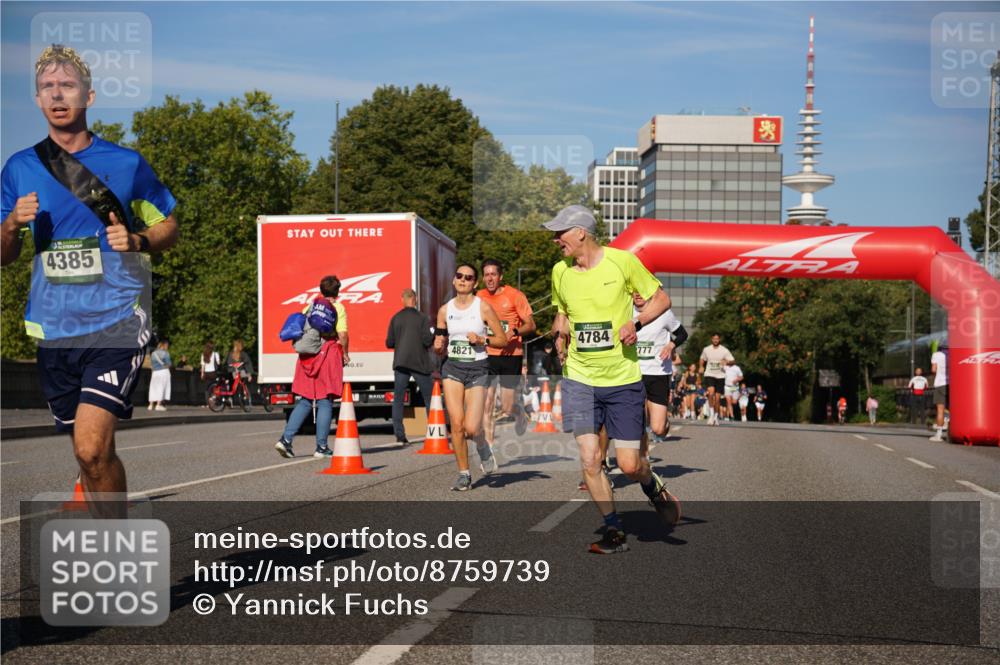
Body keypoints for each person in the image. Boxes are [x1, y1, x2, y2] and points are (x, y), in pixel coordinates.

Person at [1, 45, 178, 517]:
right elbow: (3, 256)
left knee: (91, 448)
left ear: (89, 96)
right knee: (90, 457)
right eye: (47, 87)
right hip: (55, 328)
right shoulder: (19, 168)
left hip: (117, 320)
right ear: (37, 99)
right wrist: (11, 224)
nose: (57, 95)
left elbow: (169, 225)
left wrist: (138, 240)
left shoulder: (126, 163)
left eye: (68, 86)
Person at [545, 204, 680, 555]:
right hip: (580, 378)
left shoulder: (623, 262)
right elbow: (562, 313)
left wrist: (635, 323)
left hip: (621, 379)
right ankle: (614, 530)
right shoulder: (560, 271)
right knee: (590, 460)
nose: (555, 239)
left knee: (629, 464)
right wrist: (560, 336)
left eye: (560, 233)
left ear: (581, 232)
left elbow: (662, 299)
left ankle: (651, 485)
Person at [433, 263, 508, 491]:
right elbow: (440, 343)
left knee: (472, 428)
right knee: (457, 425)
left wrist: (482, 340)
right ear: (454, 280)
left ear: (475, 283)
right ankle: (464, 474)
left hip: (478, 369)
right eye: (459, 276)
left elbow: (502, 340)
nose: (463, 280)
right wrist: (438, 346)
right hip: (452, 369)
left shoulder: (483, 307)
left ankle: (482, 445)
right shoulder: (444, 310)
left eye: (468, 277)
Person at [275, 276, 348, 458]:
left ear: (321, 290)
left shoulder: (310, 307)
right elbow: (342, 334)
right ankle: (321, 447)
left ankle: (286, 439)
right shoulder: (338, 308)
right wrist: (345, 353)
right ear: (337, 291)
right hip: (326, 356)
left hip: (307, 358)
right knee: (325, 401)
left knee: (306, 400)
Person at [477, 259, 535, 455]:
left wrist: (514, 332)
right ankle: (489, 451)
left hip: (511, 355)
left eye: (493, 274)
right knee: (487, 404)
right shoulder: (479, 297)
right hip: (487, 354)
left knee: (507, 407)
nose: (490, 278)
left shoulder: (514, 295)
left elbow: (531, 325)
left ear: (500, 276)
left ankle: (519, 413)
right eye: (486, 275)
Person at [633, 291, 688, 453]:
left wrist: (671, 345)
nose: (638, 294)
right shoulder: (625, 312)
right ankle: (643, 457)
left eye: (641, 291)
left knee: (658, 428)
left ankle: (664, 424)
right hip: (634, 372)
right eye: (634, 291)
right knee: (638, 419)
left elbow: (682, 334)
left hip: (658, 373)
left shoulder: (663, 313)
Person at [386, 288, 435, 445]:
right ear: (416, 299)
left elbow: (389, 342)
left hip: (401, 363)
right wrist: (433, 335)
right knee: (430, 398)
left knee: (398, 399)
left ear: (402, 299)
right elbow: (427, 341)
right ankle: (434, 432)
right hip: (419, 363)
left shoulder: (395, 318)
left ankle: (400, 435)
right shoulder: (422, 318)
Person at [699, 334, 734, 426]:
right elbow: (702, 358)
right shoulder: (706, 349)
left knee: (718, 398)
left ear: (719, 340)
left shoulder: (724, 350)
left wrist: (727, 362)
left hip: (720, 376)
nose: (715, 340)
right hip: (709, 374)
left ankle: (716, 417)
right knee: (711, 393)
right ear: (712, 339)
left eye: (717, 339)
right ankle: (711, 415)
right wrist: (701, 366)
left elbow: (733, 361)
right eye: (714, 339)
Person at [929, 342, 948, 442]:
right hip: (954, 385)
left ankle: (939, 435)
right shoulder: (955, 354)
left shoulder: (936, 354)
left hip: (940, 383)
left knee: (940, 410)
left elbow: (933, 369)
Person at [147, 340, 172, 411]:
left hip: (155, 372)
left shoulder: (153, 353)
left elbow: (151, 364)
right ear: (164, 345)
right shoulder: (166, 353)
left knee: (153, 388)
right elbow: (169, 364)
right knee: (161, 388)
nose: (167, 347)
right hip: (163, 371)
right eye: (167, 346)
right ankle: (158, 405)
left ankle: (150, 405)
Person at [200, 341, 221, 407]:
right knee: (214, 387)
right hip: (214, 373)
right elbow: (218, 363)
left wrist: (202, 374)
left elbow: (203, 366)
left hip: (206, 373)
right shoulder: (215, 354)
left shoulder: (203, 354)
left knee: (207, 388)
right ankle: (214, 401)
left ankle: (208, 403)